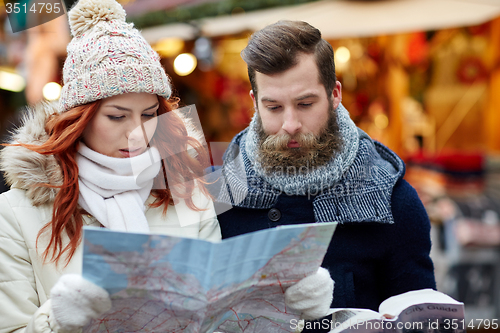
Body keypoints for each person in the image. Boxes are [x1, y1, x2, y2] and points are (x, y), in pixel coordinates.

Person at [0, 2, 333, 332]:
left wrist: (289, 309)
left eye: (148, 115)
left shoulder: (189, 193)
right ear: (79, 119)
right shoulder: (15, 213)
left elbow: (224, 320)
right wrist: (58, 320)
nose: (136, 132)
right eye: (117, 116)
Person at [212, 20, 436, 329]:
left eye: (305, 104)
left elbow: (421, 323)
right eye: (274, 107)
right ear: (254, 102)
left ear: (335, 94)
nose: (290, 124)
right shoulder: (213, 193)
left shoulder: (394, 202)